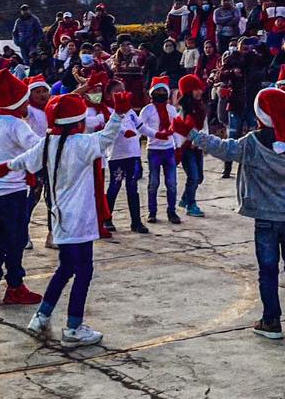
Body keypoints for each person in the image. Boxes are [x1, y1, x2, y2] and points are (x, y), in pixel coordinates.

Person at [182, 87, 285, 340]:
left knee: (268, 269)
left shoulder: (253, 143)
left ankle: (271, 321)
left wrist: (191, 133)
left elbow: (222, 148)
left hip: (265, 217)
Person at [14, 93, 125, 346]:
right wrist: (118, 114)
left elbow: (23, 161)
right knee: (84, 271)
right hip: (80, 222)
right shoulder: (81, 144)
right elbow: (107, 137)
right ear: (78, 122)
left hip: (60, 219)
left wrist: (2, 167)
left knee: (65, 269)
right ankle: (74, 327)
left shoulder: (48, 143)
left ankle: (41, 316)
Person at [0, 70, 44, 306]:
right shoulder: (17, 125)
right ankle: (15, 285)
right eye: (25, 100)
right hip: (12, 191)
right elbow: (38, 149)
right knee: (16, 240)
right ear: (17, 102)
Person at [139, 75, 182, 225]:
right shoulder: (147, 110)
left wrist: (179, 147)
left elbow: (176, 128)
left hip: (169, 149)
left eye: (163, 92)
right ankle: (152, 212)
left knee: (171, 183)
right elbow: (140, 127)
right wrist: (154, 134)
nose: (160, 95)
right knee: (153, 182)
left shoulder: (171, 109)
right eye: (157, 92)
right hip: (154, 149)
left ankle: (172, 211)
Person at [103, 90, 147, 233]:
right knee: (114, 186)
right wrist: (124, 131)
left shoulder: (131, 113)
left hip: (133, 153)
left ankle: (136, 221)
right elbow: (115, 126)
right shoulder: (109, 111)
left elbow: (141, 127)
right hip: (117, 155)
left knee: (132, 187)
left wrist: (158, 134)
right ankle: (106, 218)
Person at [176, 74, 209, 218]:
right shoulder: (183, 110)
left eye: (200, 89)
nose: (200, 92)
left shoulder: (201, 107)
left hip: (199, 147)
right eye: (196, 89)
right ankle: (191, 204)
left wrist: (205, 142)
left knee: (199, 177)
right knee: (193, 177)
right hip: (187, 148)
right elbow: (180, 131)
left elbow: (205, 125)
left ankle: (185, 198)